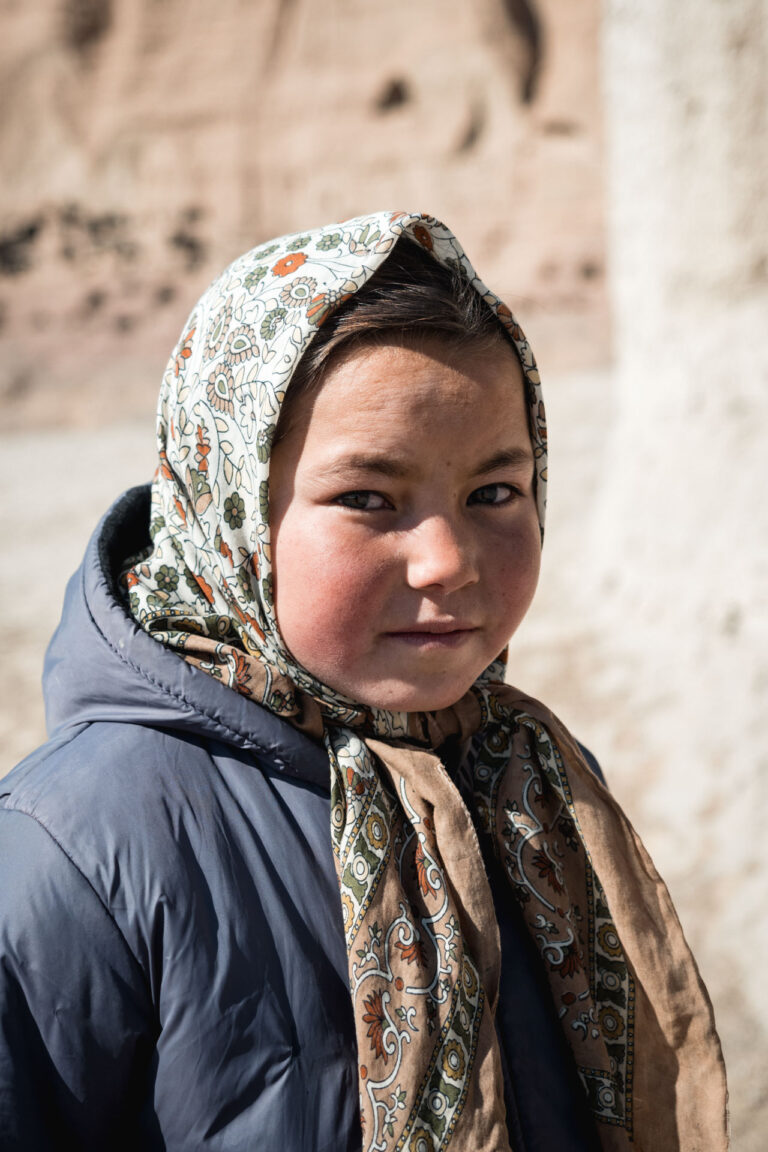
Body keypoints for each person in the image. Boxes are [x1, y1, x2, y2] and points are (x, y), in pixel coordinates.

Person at [0, 211, 727, 1151]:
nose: (447, 560)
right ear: (233, 518)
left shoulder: (530, 774)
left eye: (494, 493)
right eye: (368, 500)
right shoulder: (76, 853)